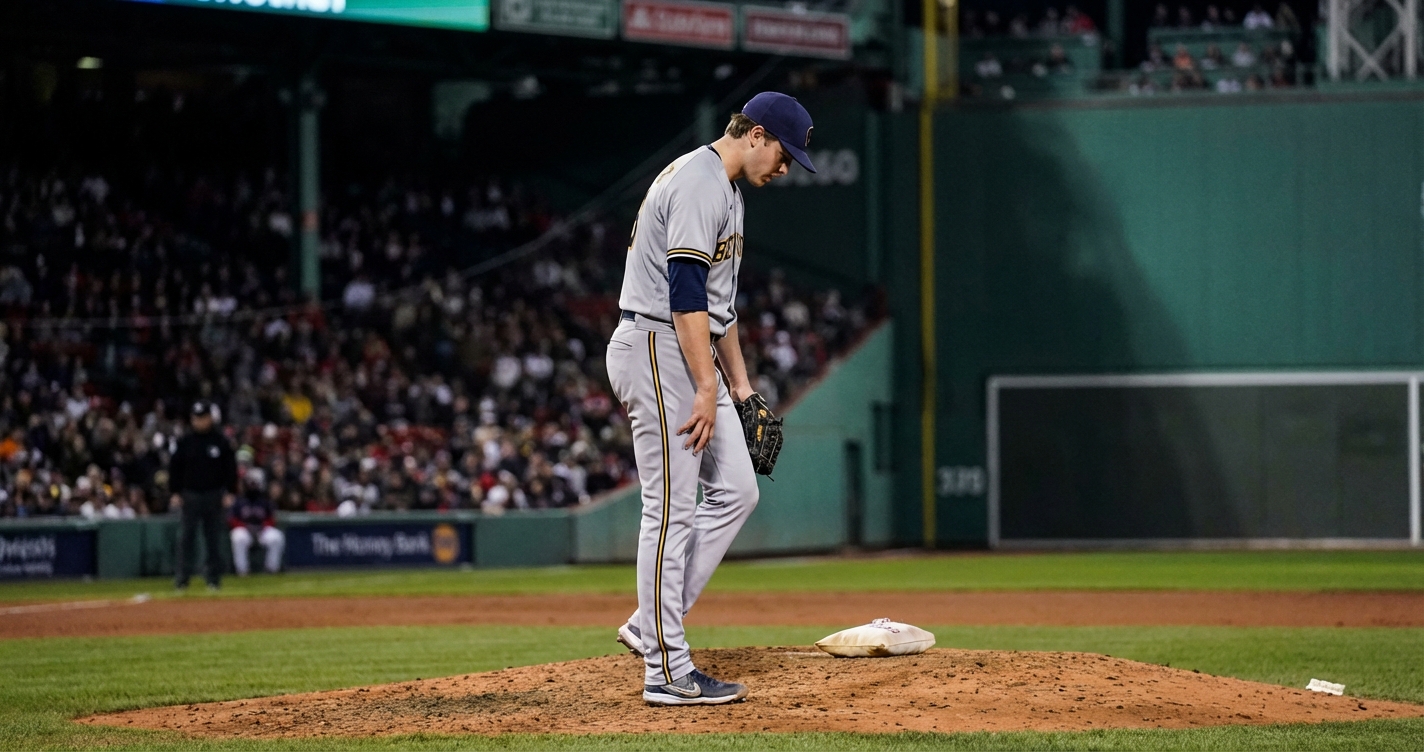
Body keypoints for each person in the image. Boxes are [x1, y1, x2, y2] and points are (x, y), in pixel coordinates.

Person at [606, 92, 811, 706]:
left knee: (738, 489)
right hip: (655, 343)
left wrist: (741, 388)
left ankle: (649, 626)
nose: (785, 167)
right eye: (783, 153)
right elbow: (685, 293)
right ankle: (666, 671)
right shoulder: (699, 182)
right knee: (670, 506)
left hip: (687, 346)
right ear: (754, 134)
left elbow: (719, 309)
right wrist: (703, 386)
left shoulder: (729, 193)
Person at [169, 401, 238, 591]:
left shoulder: (220, 441)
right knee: (186, 539)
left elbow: (230, 469)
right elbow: (175, 468)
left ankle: (213, 580)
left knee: (213, 539)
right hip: (190, 495)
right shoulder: (185, 441)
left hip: (213, 495)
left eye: (202, 417)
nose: (199, 421)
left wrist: (230, 491)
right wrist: (175, 491)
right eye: (195, 418)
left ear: (209, 418)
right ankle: (182, 580)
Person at [229, 468, 284, 575]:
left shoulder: (265, 500)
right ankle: (242, 570)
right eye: (251, 483)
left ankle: (272, 568)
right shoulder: (239, 500)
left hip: (261, 531)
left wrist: (263, 527)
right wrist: (244, 526)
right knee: (238, 537)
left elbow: (272, 518)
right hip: (245, 530)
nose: (252, 485)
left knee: (276, 537)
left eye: (255, 483)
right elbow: (231, 518)